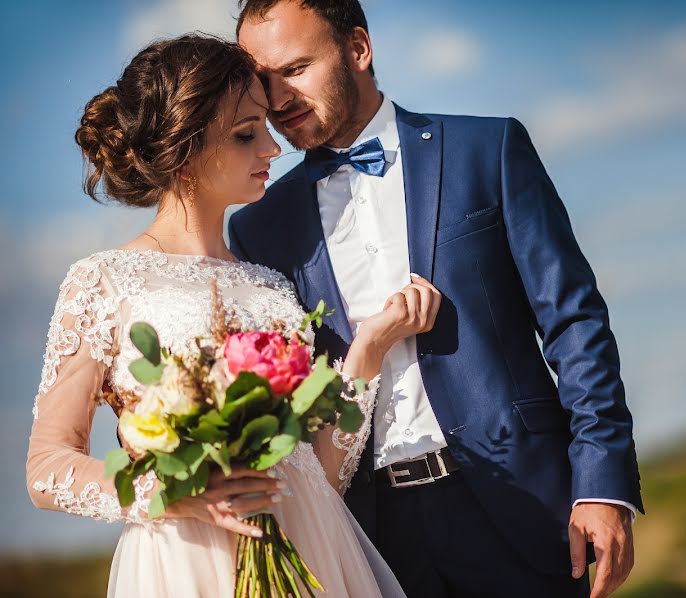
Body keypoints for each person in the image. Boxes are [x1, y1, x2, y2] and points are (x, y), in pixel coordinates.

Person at [230, 1, 645, 596]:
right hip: (367, 537)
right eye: (263, 80)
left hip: (520, 506)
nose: (279, 98)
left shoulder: (488, 149)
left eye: (296, 68)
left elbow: (574, 322)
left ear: (358, 49)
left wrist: (601, 483)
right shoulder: (258, 225)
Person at [26, 34, 435, 597]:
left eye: (265, 127)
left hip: (313, 550)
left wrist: (367, 352)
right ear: (182, 150)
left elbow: (318, 475)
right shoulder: (103, 281)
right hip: (186, 561)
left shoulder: (270, 283)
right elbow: (46, 468)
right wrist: (168, 492)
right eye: (246, 134)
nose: (272, 148)